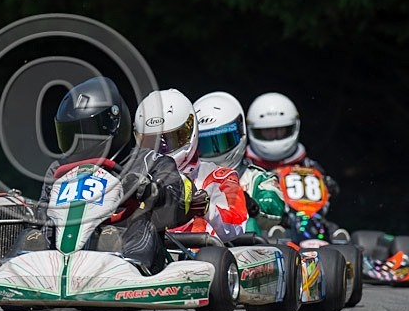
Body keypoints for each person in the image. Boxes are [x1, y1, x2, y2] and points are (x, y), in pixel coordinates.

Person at [15, 76, 190, 274]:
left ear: (114, 124)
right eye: (72, 134)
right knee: (34, 233)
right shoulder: (59, 169)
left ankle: (127, 265)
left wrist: (151, 190)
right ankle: (18, 270)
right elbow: (45, 213)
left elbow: (178, 204)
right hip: (60, 258)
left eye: (88, 132)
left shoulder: (151, 162)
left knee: (142, 225)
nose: (80, 143)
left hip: (125, 253)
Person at [133, 89, 248, 242]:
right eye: (151, 142)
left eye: (170, 139)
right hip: (138, 249)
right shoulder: (134, 177)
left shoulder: (217, 177)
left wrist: (207, 209)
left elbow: (236, 225)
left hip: (195, 253)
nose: (161, 149)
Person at [245, 91, 347, 240]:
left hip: (309, 224)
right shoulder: (245, 166)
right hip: (263, 228)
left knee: (334, 231)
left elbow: (333, 190)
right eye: (268, 132)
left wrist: (328, 186)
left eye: (280, 130)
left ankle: (334, 241)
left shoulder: (308, 165)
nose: (275, 136)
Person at [193, 91, 285, 235]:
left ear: (240, 133)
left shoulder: (258, 178)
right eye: (205, 144)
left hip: (246, 246)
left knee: (249, 223)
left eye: (222, 141)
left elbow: (275, 209)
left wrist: (248, 203)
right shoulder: (189, 179)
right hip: (194, 245)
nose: (214, 152)